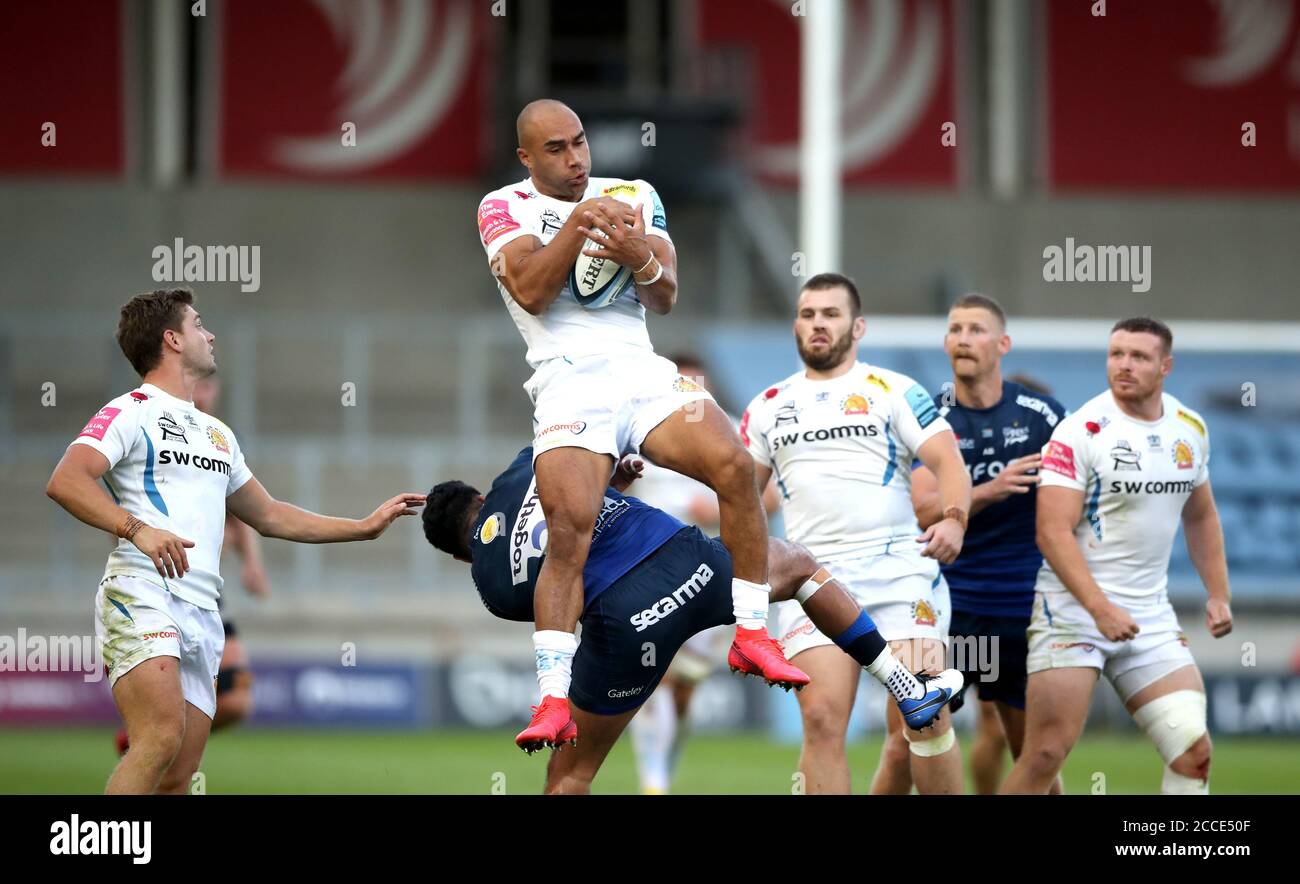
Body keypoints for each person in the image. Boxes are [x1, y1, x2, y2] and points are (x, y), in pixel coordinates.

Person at [477, 99, 804, 752]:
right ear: (526, 158)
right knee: (569, 532)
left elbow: (666, 292)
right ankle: (551, 700)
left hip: (640, 370)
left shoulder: (634, 192)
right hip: (567, 378)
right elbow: (534, 291)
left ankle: (750, 634)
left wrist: (637, 252)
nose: (575, 159)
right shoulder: (501, 206)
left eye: (580, 144)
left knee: (735, 468)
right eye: (556, 150)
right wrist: (580, 225)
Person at [46, 289, 425, 794]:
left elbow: (269, 515)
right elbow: (66, 480)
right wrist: (137, 529)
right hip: (143, 592)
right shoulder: (129, 411)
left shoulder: (217, 434)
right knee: (158, 738)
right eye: (199, 324)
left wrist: (363, 525)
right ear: (172, 339)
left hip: (203, 608)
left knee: (179, 774)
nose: (211, 334)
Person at [422, 449, 963, 792]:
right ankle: (904, 685)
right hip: (690, 565)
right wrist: (619, 476)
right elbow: (585, 487)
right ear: (479, 494)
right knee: (795, 564)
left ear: (456, 555)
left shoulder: (490, 586)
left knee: (572, 772)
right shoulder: (522, 468)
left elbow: (558, 594)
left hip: (626, 627)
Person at [743, 273, 972, 794]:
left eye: (831, 314)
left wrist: (955, 519)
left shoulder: (894, 390)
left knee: (927, 714)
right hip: (809, 579)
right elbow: (744, 501)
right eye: (807, 314)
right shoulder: (766, 405)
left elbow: (948, 462)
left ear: (857, 326)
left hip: (897, 569)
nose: (818, 324)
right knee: (822, 721)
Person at [1001, 317, 1233, 795]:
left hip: (1148, 614)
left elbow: (1201, 516)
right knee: (1044, 754)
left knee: (1194, 753)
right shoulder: (1079, 430)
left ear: (1165, 366)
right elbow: (1051, 531)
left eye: (1139, 357)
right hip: (1070, 611)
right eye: (1116, 354)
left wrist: (1218, 594)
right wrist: (1100, 609)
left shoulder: (1190, 429)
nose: (1124, 365)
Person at [911, 294, 1068, 794]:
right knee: (914, 737)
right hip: (945, 604)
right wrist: (991, 489)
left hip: (1020, 605)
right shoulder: (930, 415)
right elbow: (923, 510)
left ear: (1002, 343)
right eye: (955, 329)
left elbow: (1075, 508)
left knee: (1034, 753)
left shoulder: (1042, 416)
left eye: (975, 329)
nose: (962, 338)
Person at [623, 354, 779, 794]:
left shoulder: (729, 431)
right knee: (658, 674)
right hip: (653, 569)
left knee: (684, 688)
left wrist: (714, 509)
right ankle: (653, 782)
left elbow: (769, 500)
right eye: (681, 382)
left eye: (696, 384)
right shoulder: (643, 432)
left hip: (713, 571)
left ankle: (663, 767)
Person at [113, 376, 270, 755]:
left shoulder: (220, 439)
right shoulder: (148, 427)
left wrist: (251, 563)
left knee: (235, 701)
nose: (203, 393)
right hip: (156, 588)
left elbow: (247, 513)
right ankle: (154, 744)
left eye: (210, 387)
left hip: (205, 591)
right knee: (167, 726)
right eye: (197, 386)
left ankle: (152, 743)